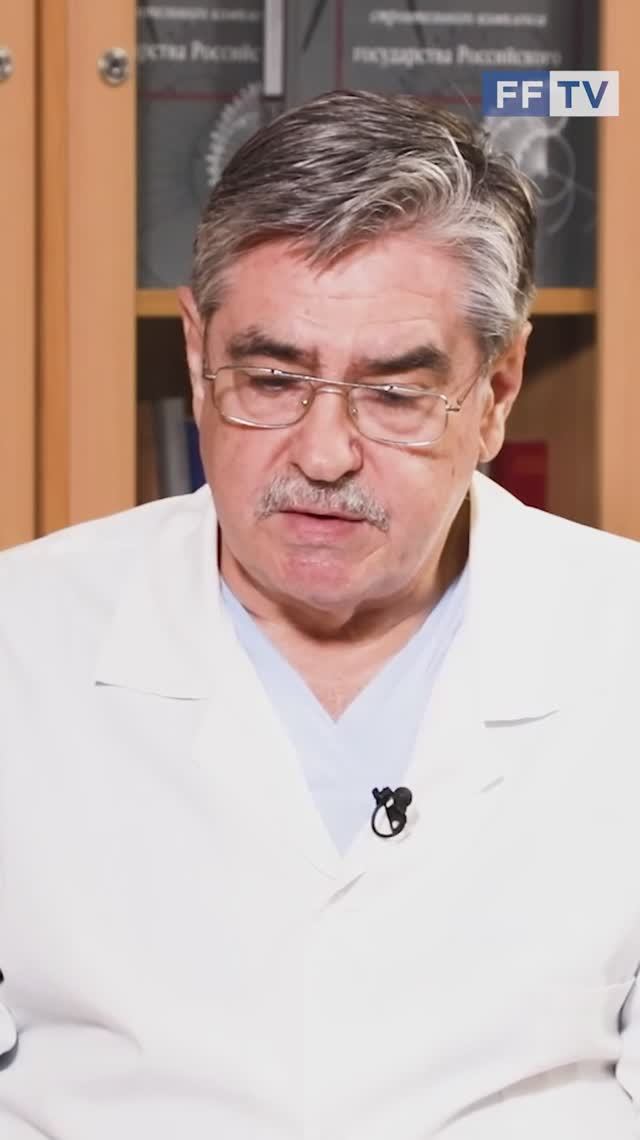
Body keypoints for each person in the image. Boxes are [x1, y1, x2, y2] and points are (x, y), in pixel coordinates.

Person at [0, 89, 639, 1140]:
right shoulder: (22, 638)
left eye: (393, 393)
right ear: (197, 355)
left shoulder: (620, 639)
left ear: (496, 391)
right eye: (271, 378)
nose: (325, 453)